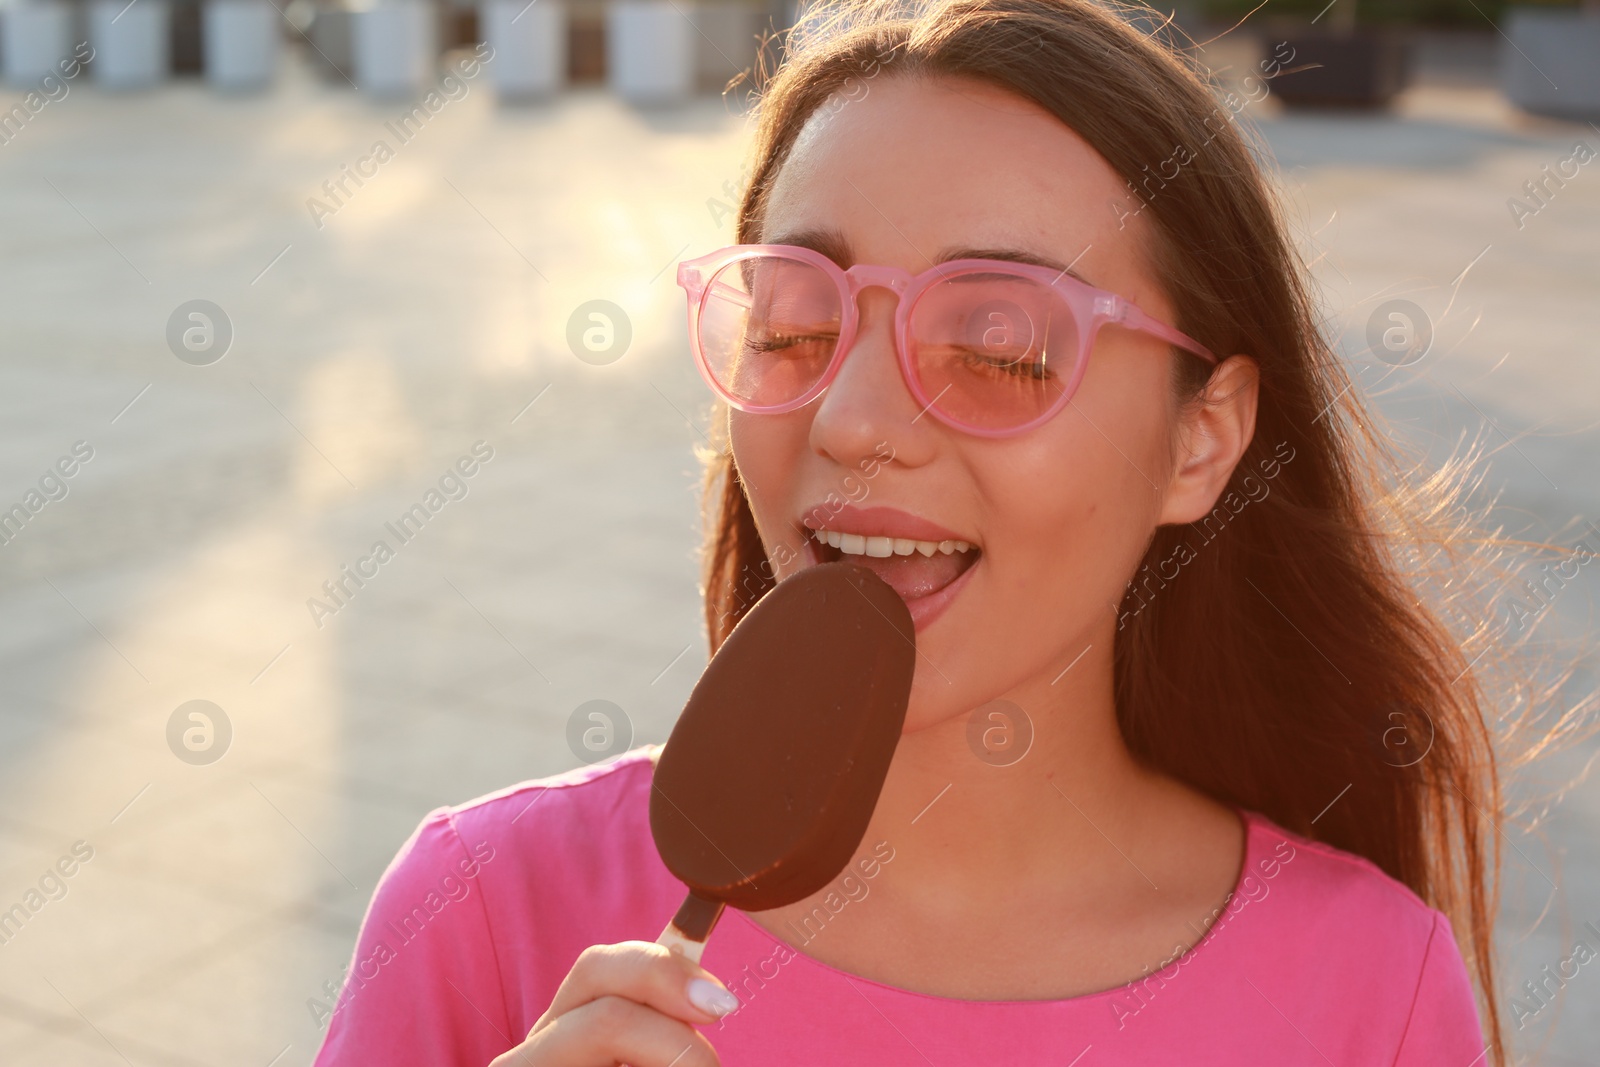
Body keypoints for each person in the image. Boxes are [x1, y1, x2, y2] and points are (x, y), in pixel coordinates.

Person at [314, 0, 1516, 1062]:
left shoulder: (1374, 989)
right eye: (792, 325)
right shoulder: (483, 909)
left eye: (997, 345)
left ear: (1201, 439)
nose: (851, 419)